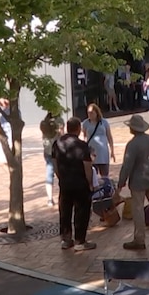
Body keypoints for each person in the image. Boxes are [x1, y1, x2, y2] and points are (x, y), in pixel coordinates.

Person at [118, 115, 149, 249]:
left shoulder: (132, 144)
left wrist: (121, 183)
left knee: (138, 209)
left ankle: (139, 239)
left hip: (138, 181)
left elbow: (127, 166)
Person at [52, 117, 96, 251]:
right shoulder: (82, 145)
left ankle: (66, 239)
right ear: (78, 128)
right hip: (80, 182)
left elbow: (54, 163)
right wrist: (90, 182)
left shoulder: (57, 143)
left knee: (65, 211)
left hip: (65, 182)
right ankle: (80, 240)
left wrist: (60, 176)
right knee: (82, 211)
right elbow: (87, 165)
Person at [81, 104, 115, 177]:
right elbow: (84, 136)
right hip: (92, 151)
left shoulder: (104, 122)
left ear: (96, 112)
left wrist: (112, 150)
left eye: (92, 113)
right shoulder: (85, 123)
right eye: (88, 113)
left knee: (105, 174)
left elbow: (109, 136)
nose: (90, 115)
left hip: (103, 151)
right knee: (93, 175)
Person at [40, 112, 64, 207]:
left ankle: (50, 199)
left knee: (49, 174)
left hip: (47, 152)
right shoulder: (59, 121)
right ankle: (62, 197)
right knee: (61, 175)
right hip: (57, 152)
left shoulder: (43, 123)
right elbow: (62, 135)